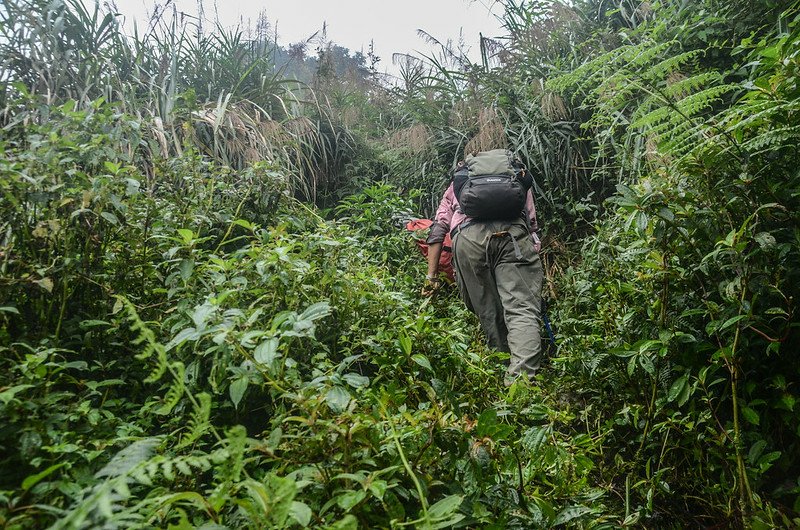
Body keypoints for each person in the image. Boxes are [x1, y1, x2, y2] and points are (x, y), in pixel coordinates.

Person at [423, 153, 544, 386]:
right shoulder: (515, 176)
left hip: (468, 240)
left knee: (488, 311)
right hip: (513, 238)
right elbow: (532, 223)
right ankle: (521, 384)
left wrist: (432, 276)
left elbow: (439, 229)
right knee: (521, 310)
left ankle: (500, 365)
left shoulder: (459, 182)